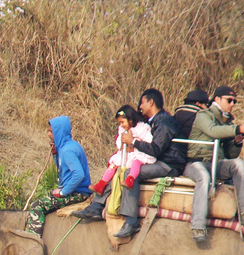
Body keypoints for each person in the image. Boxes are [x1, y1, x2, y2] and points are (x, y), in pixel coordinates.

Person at [73, 88, 185, 238]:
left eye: (142, 103)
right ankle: (96, 205)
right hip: (155, 159)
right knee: (117, 167)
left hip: (168, 163)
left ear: (151, 102)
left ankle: (131, 220)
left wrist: (133, 142)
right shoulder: (151, 121)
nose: (140, 106)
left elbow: (156, 149)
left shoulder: (164, 122)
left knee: (129, 172)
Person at [183, 85, 244, 244]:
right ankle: (198, 226)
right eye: (229, 100)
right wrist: (238, 128)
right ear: (217, 99)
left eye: (234, 101)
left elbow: (230, 154)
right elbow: (213, 131)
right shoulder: (204, 115)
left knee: (238, 164)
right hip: (197, 162)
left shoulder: (227, 121)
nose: (232, 104)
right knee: (203, 177)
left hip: (216, 164)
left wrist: (237, 141)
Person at [24, 115, 92, 236]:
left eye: (51, 131)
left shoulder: (68, 151)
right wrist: (55, 155)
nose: (48, 134)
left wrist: (63, 192)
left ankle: (33, 240)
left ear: (59, 132)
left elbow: (79, 174)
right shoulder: (66, 147)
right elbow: (64, 170)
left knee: (37, 206)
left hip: (78, 193)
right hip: (73, 191)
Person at [90, 105, 155, 194]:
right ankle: (102, 184)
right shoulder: (122, 129)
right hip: (126, 152)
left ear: (130, 120)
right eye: (119, 123)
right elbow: (118, 139)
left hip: (138, 152)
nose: (121, 125)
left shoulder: (141, 129)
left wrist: (135, 144)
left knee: (136, 162)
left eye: (122, 122)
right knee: (113, 164)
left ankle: (130, 179)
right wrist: (120, 144)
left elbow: (149, 141)